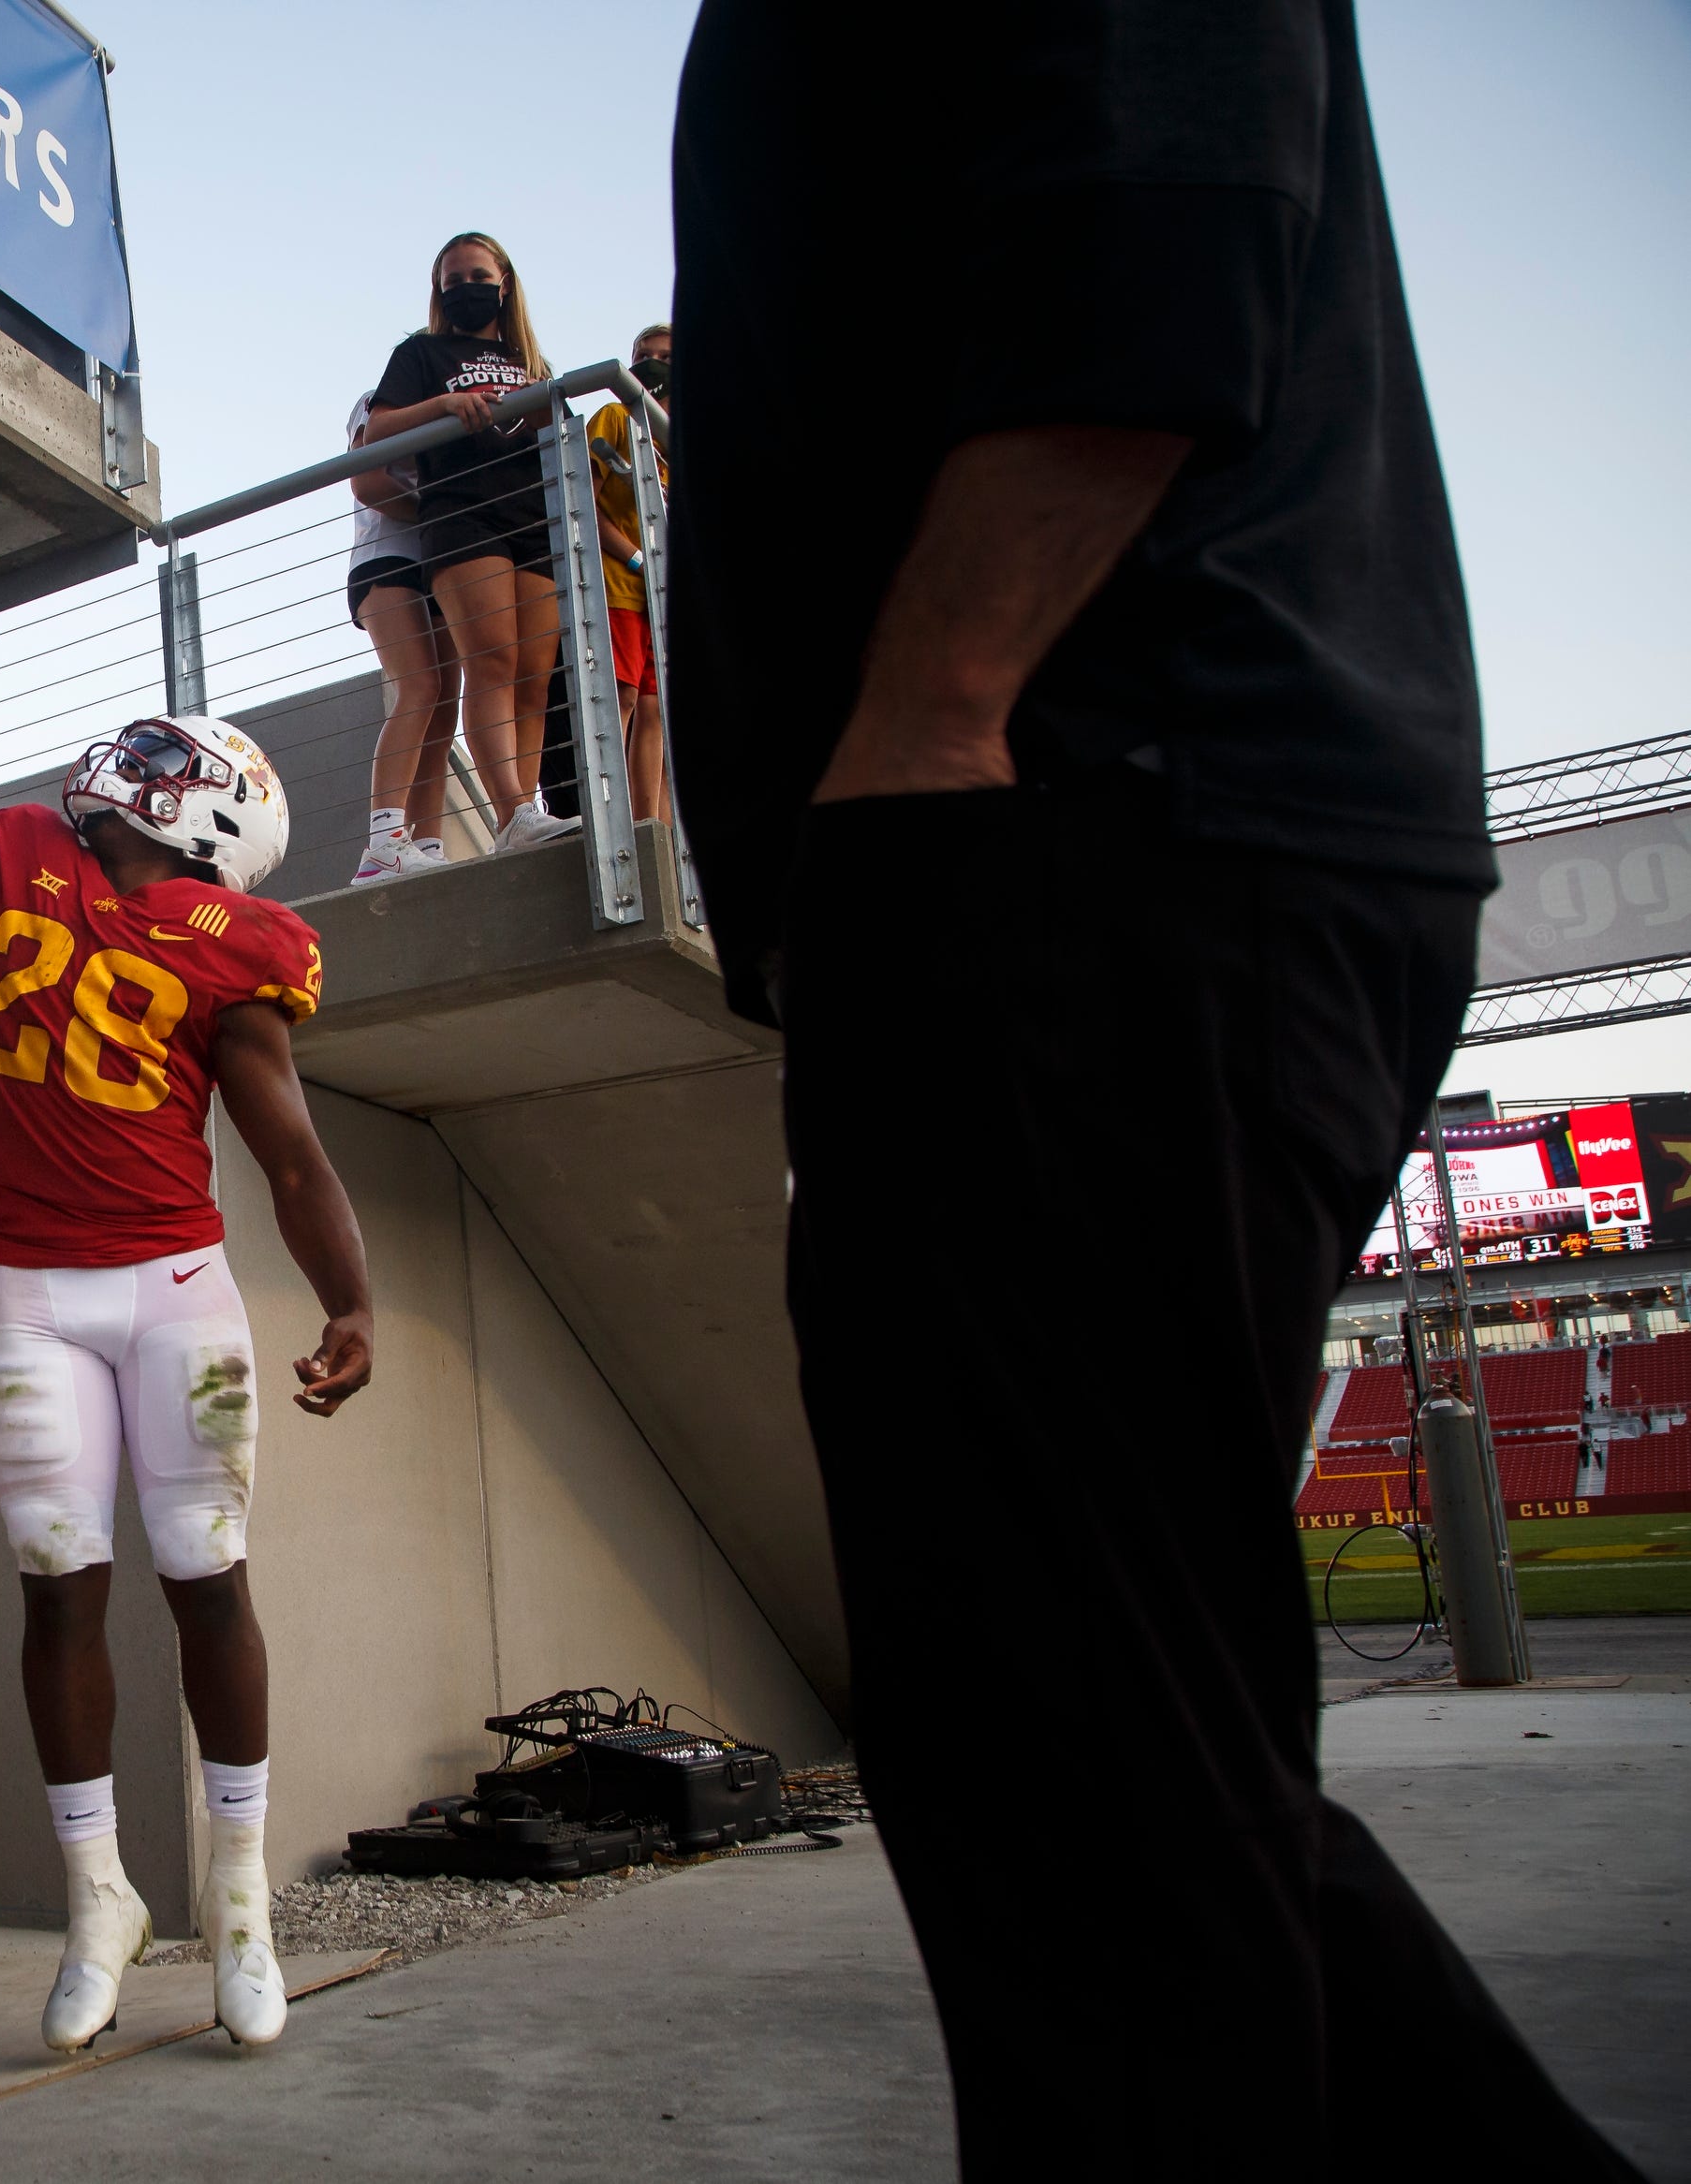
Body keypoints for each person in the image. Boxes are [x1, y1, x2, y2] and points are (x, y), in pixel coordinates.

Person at [668, 6, 1642, 2179]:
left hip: (1086, 811)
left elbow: (1161, 166)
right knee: (1094, 1742)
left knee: (1082, 1796)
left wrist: (937, 710)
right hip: (1057, 832)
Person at [0, 447, 378, 2055]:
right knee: (58, 1593)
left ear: (209, 811)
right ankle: (101, 1895)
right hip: (32, 1290)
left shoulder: (232, 948)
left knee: (206, 1578)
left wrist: (353, 1295)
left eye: (165, 760)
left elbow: (289, 1151)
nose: (128, 764)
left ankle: (238, 1897)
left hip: (175, 1290)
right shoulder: (11, 864)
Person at [363, 233, 580, 855]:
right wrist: (446, 405)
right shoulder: (421, 352)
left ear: (504, 284)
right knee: (493, 661)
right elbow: (377, 430)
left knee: (534, 677)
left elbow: (562, 435)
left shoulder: (530, 360)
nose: (466, 289)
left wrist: (541, 411)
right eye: (452, 281)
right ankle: (511, 812)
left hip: (531, 513)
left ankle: (524, 817)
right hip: (462, 512)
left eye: (478, 277)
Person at [346, 390, 463, 883]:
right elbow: (367, 481)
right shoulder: (382, 401)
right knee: (419, 686)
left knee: (444, 707)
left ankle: (428, 844)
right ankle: (383, 843)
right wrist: (444, 513)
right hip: (387, 557)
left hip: (440, 558)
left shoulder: (452, 400)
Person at [586, 323, 670, 822]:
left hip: (663, 598)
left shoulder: (678, 441)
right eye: (643, 355)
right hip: (620, 585)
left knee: (657, 709)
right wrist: (636, 558)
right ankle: (610, 816)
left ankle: (650, 824)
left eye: (665, 356)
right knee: (623, 697)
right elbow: (584, 500)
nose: (652, 364)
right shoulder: (616, 417)